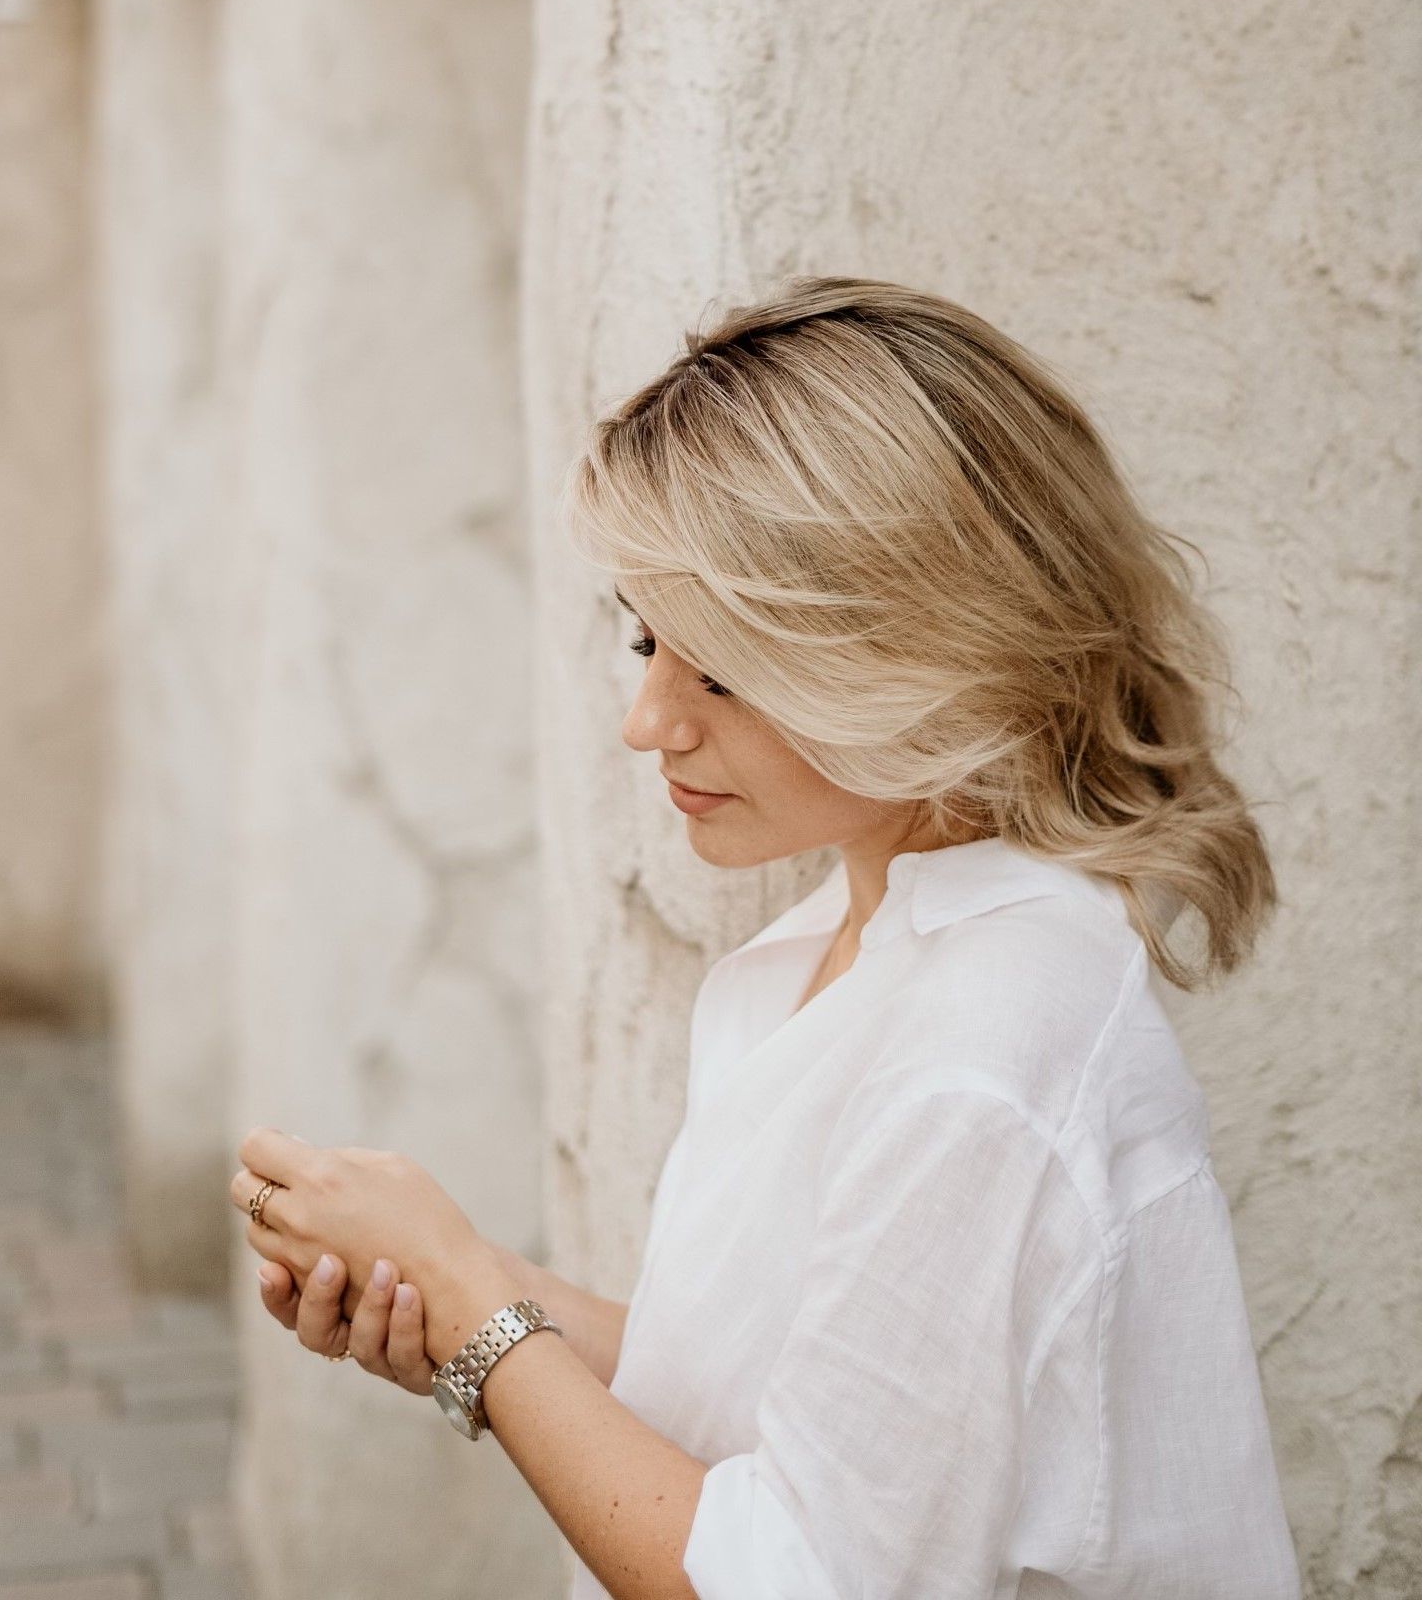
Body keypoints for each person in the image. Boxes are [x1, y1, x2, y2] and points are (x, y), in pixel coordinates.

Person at [233, 277, 1301, 1598]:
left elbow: (787, 1576)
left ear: (922, 649)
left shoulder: (985, 1043)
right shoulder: (846, 945)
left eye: (721, 669)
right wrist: (475, 1294)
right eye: (646, 642)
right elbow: (768, 1404)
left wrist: (476, 1316)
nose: (648, 722)